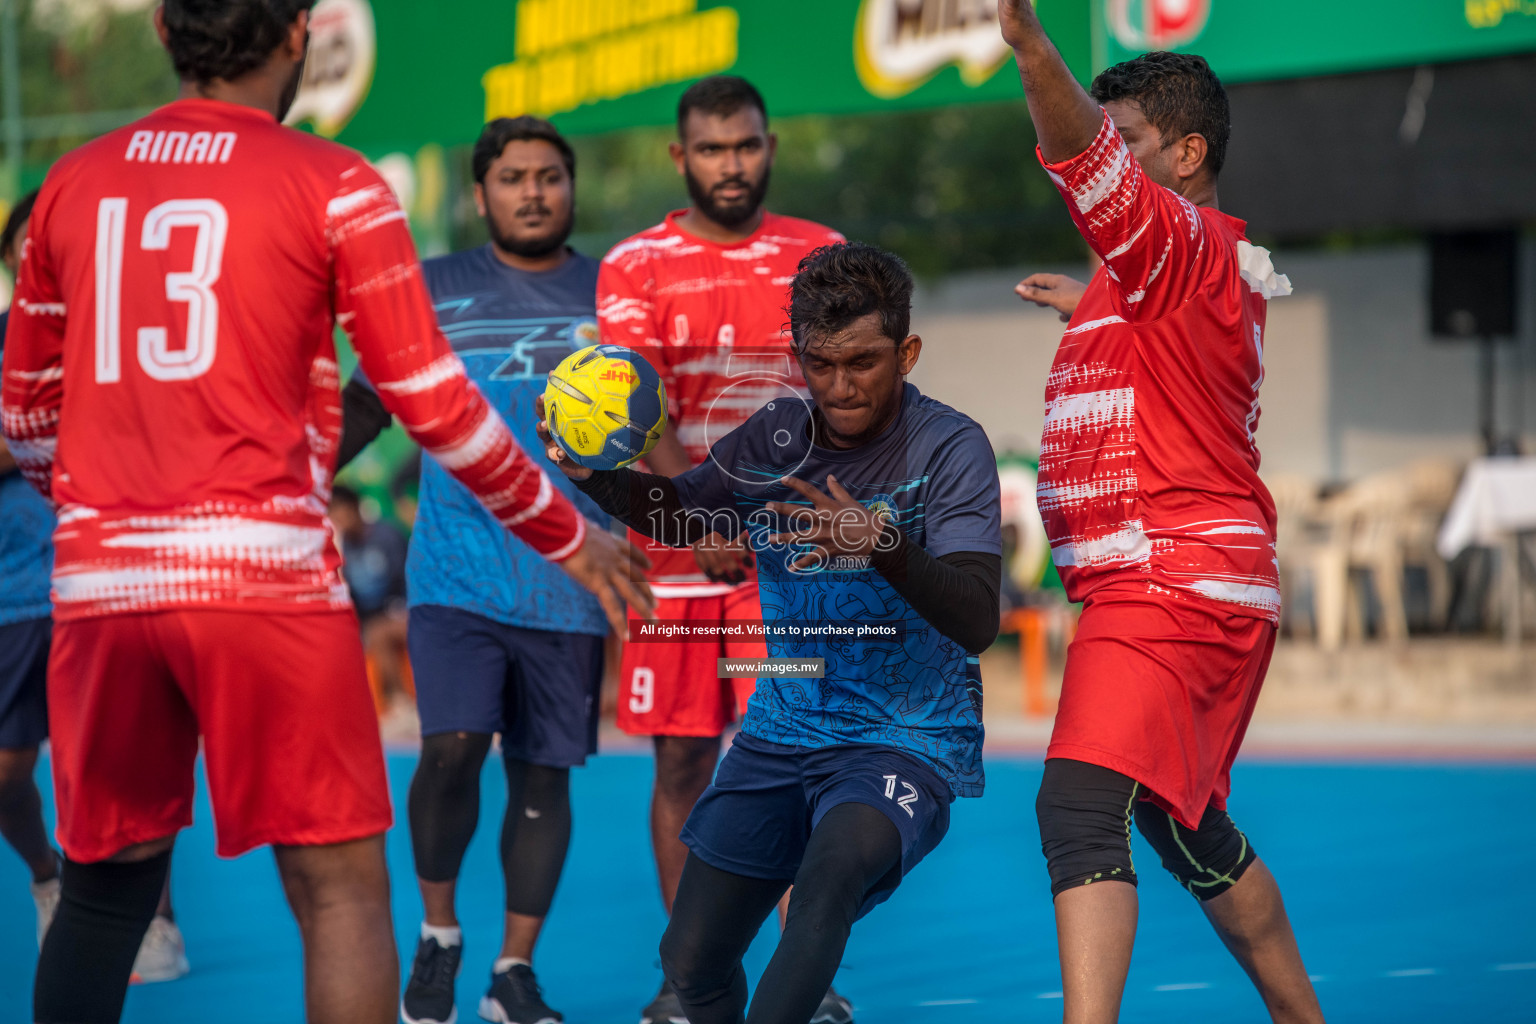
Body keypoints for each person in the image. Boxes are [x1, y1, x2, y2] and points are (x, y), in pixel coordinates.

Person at [0, 3, 650, 1022]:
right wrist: (568, 536)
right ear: (299, 33)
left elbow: (25, 412)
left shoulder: (71, 187)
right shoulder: (337, 184)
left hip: (102, 588)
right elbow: (434, 405)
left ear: (167, 30)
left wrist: (108, 512)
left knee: (103, 886)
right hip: (264, 578)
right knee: (340, 886)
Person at [541, 241, 1002, 1024]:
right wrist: (590, 475)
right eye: (821, 365)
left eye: (864, 361)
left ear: (908, 351)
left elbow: (979, 617)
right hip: (783, 730)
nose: (842, 386)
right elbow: (681, 512)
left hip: (906, 740)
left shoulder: (951, 449)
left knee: (827, 881)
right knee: (689, 961)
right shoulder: (777, 436)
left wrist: (881, 544)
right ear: (799, 359)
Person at [997, 4, 1325, 1023]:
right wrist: (1089, 307)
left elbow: (1080, 157)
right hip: (1191, 580)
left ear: (1185, 156)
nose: (1113, 168)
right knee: (1187, 829)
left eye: (1132, 146)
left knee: (1078, 805)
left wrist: (1030, 47)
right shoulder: (1168, 270)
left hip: (1166, 580)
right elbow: (1172, 347)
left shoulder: (1176, 240)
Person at [336, 115, 615, 1024]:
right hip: (454, 577)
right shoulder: (430, 288)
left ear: (571, 187)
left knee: (545, 776)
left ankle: (511, 970)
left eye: (548, 175)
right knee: (452, 750)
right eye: (513, 177)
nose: (532, 191)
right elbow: (368, 406)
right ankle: (440, 932)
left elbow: (652, 421)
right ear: (481, 192)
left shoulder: (614, 292)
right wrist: (291, 479)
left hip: (571, 579)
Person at [595, 74, 847, 1024]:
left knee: (790, 756)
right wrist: (698, 521)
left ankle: (800, 980)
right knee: (682, 767)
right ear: (680, 158)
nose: (730, 165)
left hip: (786, 572)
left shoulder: (822, 254)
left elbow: (851, 394)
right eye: (711, 149)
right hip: (674, 565)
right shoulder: (634, 264)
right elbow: (632, 395)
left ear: (769, 145)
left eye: (745, 146)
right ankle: (694, 978)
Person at [1, 191, 191, 985]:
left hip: (113, 582)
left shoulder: (135, 337)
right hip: (14, 595)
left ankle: (160, 919)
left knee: (122, 766)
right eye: (30, 245)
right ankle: (49, 876)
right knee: (8, 773)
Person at [328, 483, 411, 723]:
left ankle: (401, 704)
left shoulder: (386, 535)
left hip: (402, 611)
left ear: (355, 507)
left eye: (340, 510)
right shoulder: (341, 548)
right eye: (332, 512)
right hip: (368, 621)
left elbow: (406, 575)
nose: (337, 517)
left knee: (380, 633)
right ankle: (347, 715)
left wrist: (402, 609)